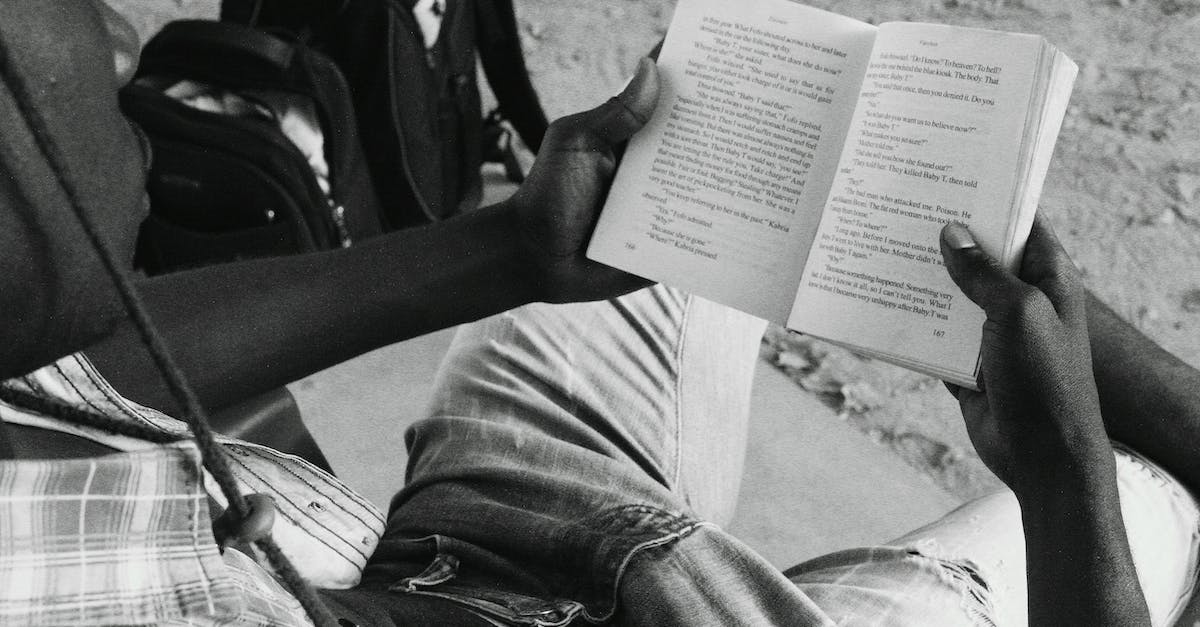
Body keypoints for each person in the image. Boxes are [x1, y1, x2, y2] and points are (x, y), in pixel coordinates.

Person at [0, 1, 1197, 625]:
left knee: (691, 211)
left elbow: (62, 364)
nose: (121, 38)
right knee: (1150, 501)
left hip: (458, 557)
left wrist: (507, 251)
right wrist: (1065, 478)